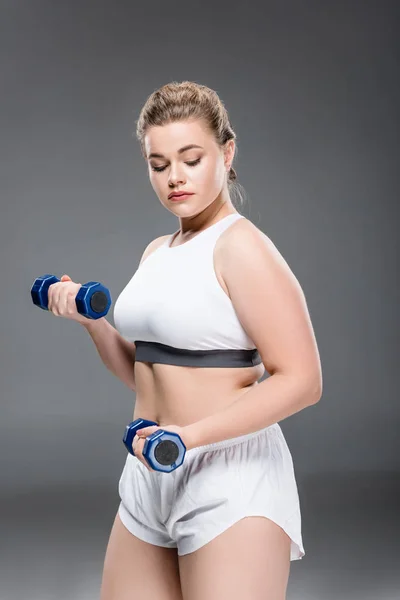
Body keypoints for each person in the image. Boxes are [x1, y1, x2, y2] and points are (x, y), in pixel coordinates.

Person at [47, 81, 322, 600]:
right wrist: (92, 322)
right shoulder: (159, 251)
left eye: (191, 159)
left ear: (227, 152)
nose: (174, 177)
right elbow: (143, 370)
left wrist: (190, 438)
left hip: (226, 473)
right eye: (158, 164)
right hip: (151, 470)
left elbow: (304, 381)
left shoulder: (242, 247)